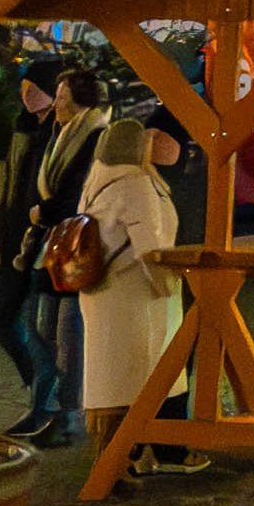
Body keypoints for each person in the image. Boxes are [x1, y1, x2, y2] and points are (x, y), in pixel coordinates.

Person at [78, 112, 208, 482]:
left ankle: (122, 457)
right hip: (135, 297)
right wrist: (166, 284)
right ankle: (119, 462)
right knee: (140, 375)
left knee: (112, 379)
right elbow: (150, 247)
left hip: (102, 295)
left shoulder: (98, 182)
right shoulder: (136, 184)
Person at [0, 61, 112, 441]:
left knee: (62, 336)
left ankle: (63, 414)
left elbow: (76, 193)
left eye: (61, 97)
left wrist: (42, 211)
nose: (55, 104)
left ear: (79, 102)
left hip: (69, 246)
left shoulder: (92, 137)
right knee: (39, 329)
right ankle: (44, 408)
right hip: (44, 244)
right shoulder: (57, 135)